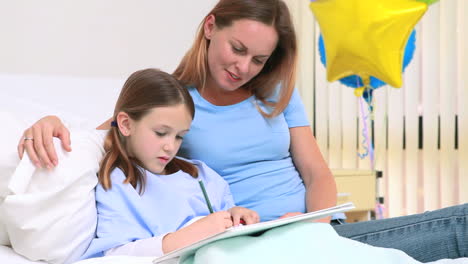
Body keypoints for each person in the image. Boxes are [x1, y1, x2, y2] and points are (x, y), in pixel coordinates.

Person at [17, 0, 467, 262]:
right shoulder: (178, 105)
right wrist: (52, 123)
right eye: (238, 49)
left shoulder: (276, 93)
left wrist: (323, 222)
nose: (243, 67)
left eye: (258, 59)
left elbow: (316, 173)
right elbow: (115, 132)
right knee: (456, 226)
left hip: (312, 227)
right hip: (260, 239)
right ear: (211, 27)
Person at [81, 68, 259, 258]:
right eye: (160, 133)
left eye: (179, 136)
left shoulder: (199, 174)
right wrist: (188, 236)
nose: (171, 147)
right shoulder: (118, 183)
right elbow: (116, 254)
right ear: (125, 124)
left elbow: (228, 217)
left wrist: (237, 215)